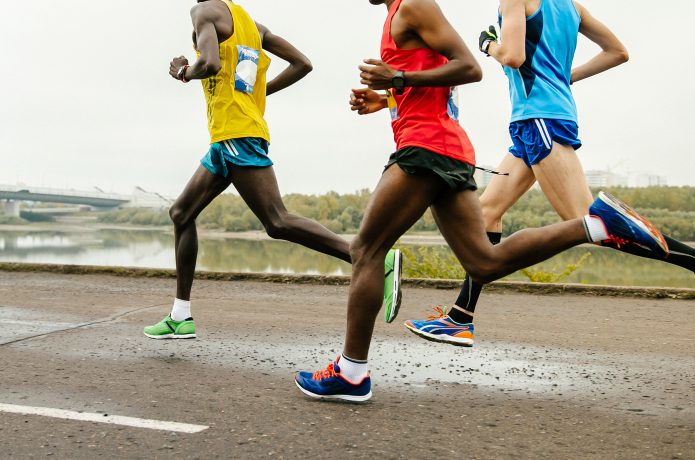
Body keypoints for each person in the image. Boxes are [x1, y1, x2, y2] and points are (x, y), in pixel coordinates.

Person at [294, 0, 670, 402]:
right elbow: (437, 86)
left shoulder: (414, 6)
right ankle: (595, 225)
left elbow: (469, 67)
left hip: (427, 147)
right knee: (484, 262)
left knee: (367, 250)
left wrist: (398, 79)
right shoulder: (401, 14)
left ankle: (351, 374)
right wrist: (388, 99)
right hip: (446, 147)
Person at [404, 0, 695, 346]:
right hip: (540, 121)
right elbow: (617, 52)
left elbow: (512, 56)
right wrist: (562, 77)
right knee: (488, 212)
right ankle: (459, 318)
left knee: (589, 222)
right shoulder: (571, 7)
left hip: (538, 119)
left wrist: (488, 44)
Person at [143, 0, 402, 340]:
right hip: (227, 138)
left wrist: (182, 72)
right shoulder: (250, 25)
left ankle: (370, 258)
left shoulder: (204, 11)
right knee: (181, 213)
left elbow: (207, 63)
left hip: (237, 134)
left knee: (277, 221)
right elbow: (302, 64)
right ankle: (181, 316)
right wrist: (256, 93)